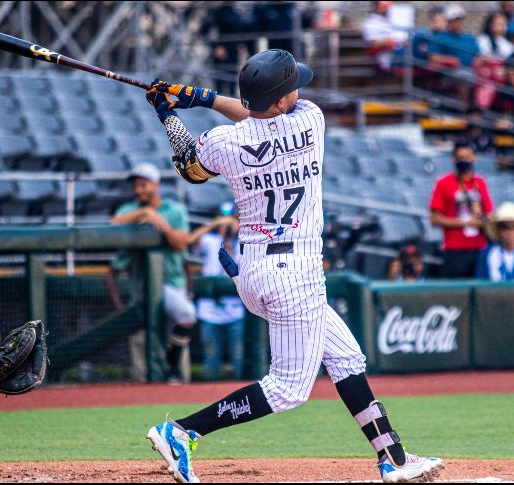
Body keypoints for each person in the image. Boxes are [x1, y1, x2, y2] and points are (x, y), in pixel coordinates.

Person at [142, 49, 444, 483]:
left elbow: (190, 166)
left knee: (346, 357)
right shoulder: (311, 120)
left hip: (253, 271)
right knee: (287, 389)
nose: (297, 90)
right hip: (296, 276)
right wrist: (202, 97)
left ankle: (392, 457)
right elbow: (257, 116)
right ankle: (183, 431)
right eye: (290, 87)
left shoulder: (225, 142)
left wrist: (170, 113)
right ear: (282, 100)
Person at [108, 163, 197, 384]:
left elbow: (181, 245)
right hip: (142, 291)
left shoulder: (174, 210)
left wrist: (162, 225)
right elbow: (114, 224)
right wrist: (145, 212)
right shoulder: (129, 210)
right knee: (143, 357)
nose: (139, 190)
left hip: (171, 283)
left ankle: (175, 370)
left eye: (144, 185)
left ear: (156, 185)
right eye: (136, 186)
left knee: (185, 319)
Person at [189, 202, 245, 381]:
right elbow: (190, 241)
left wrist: (237, 229)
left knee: (238, 358)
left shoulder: (243, 242)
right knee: (210, 359)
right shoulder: (210, 240)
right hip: (210, 311)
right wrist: (214, 224)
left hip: (235, 309)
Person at [429, 142, 494, 279]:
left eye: (468, 157)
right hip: (455, 249)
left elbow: (490, 214)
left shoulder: (479, 183)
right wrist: (465, 222)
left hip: (479, 247)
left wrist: (481, 217)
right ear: (454, 158)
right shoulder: (444, 183)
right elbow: (434, 218)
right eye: (460, 157)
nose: (464, 161)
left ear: (474, 157)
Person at [362, 0, 409, 72]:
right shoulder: (371, 22)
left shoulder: (396, 19)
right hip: (389, 57)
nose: (388, 5)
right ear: (377, 5)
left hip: (403, 52)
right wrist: (390, 41)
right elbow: (373, 44)